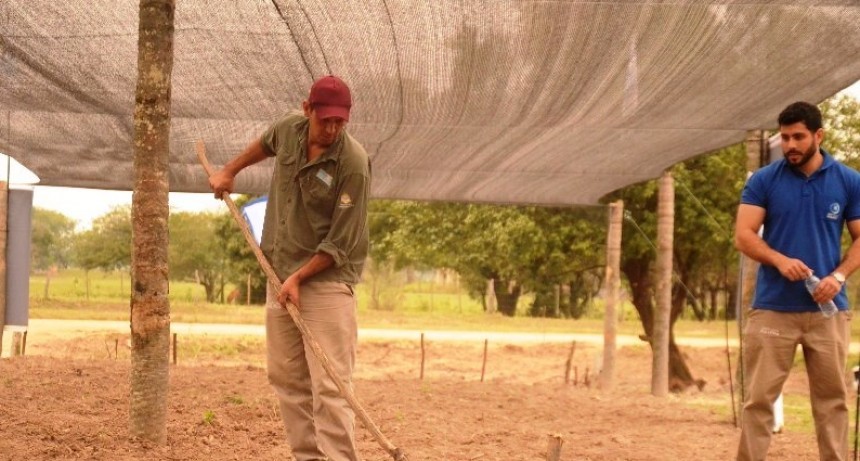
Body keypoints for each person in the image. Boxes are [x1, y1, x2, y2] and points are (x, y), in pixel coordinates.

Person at [208, 75, 370, 461]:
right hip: (279, 274)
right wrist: (230, 170)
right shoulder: (288, 129)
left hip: (326, 282)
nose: (331, 129)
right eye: (324, 120)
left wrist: (299, 278)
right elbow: (264, 145)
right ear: (306, 109)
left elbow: (341, 242)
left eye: (339, 122)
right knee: (287, 378)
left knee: (330, 385)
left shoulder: (353, 163)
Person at [734, 101, 860, 460]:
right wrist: (778, 259)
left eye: (798, 137)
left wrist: (838, 276)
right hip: (773, 309)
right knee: (758, 402)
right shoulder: (764, 180)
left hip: (829, 312)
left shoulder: (849, 181)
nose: (790, 144)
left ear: (818, 135)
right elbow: (743, 235)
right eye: (785, 137)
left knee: (833, 403)